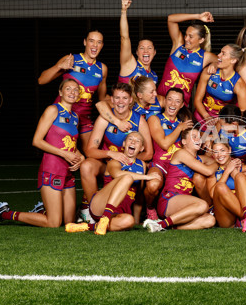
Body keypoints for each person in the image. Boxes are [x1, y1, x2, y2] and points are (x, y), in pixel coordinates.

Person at [0, 79, 84, 227]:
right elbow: (37, 141)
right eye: (68, 89)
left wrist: (81, 156)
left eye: (75, 89)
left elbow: (71, 144)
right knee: (53, 223)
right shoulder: (53, 110)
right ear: (60, 92)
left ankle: (41, 211)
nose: (72, 92)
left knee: (69, 221)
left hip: (68, 172)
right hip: (52, 169)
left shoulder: (75, 117)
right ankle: (4, 213)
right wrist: (64, 154)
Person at [78, 83, 153, 222]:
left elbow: (148, 153)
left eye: (124, 98)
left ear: (131, 100)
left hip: (127, 164)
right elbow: (89, 151)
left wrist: (128, 159)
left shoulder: (139, 120)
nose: (120, 102)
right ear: (111, 100)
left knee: (143, 167)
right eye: (117, 98)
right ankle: (92, 210)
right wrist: (111, 154)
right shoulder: (104, 118)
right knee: (86, 166)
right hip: (107, 165)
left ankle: (139, 213)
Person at [65, 132, 159, 234]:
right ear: (124, 144)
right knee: (127, 177)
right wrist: (146, 177)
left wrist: (136, 220)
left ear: (141, 148)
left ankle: (88, 226)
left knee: (129, 221)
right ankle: (104, 218)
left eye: (137, 141)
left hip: (119, 212)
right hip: (100, 206)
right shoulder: (114, 161)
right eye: (130, 139)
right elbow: (118, 174)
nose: (133, 142)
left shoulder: (142, 165)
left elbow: (139, 196)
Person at [37, 31, 108, 146]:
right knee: (64, 150)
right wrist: (59, 66)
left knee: (92, 157)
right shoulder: (71, 59)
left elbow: (102, 99)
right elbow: (41, 80)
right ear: (85, 42)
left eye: (99, 42)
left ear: (102, 45)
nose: (95, 45)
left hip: (84, 119)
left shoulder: (102, 69)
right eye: (91, 41)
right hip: (64, 115)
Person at [143, 128, 217, 232]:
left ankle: (169, 226)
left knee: (210, 220)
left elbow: (214, 162)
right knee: (203, 205)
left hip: (185, 207)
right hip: (170, 199)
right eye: (194, 137)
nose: (198, 139)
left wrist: (216, 160)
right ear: (184, 141)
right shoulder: (180, 153)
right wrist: (215, 164)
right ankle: (161, 224)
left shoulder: (201, 158)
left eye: (200, 138)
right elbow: (208, 171)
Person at [144, 88, 192, 220]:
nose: (173, 104)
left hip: (178, 167)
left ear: (182, 105)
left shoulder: (184, 123)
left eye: (177, 101)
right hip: (160, 164)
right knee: (153, 185)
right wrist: (179, 128)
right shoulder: (155, 119)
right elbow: (164, 144)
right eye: (170, 99)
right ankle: (150, 208)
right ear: (164, 101)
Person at [207, 139, 246, 232]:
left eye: (222, 150)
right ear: (212, 154)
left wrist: (235, 173)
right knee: (220, 187)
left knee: (240, 176)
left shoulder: (244, 168)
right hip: (227, 218)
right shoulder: (213, 173)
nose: (219, 155)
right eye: (215, 152)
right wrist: (227, 171)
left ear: (229, 150)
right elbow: (212, 194)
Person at [158, 12, 218, 106]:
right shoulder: (178, 45)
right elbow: (171, 19)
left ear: (201, 40)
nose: (186, 39)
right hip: (161, 102)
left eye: (191, 36)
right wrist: (198, 16)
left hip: (181, 107)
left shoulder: (204, 56)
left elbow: (222, 60)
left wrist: (214, 64)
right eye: (186, 35)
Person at [194, 44, 246, 121]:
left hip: (223, 121)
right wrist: (206, 116)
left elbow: (243, 112)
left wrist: (223, 121)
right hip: (202, 115)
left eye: (223, 53)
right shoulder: (209, 71)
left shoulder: (239, 84)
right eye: (220, 52)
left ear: (233, 60)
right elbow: (197, 100)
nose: (218, 55)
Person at [118, 0, 157, 84]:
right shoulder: (130, 64)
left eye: (149, 48)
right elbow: (124, 37)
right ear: (137, 52)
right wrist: (124, 11)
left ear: (154, 52)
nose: (146, 51)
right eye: (142, 48)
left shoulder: (154, 76)